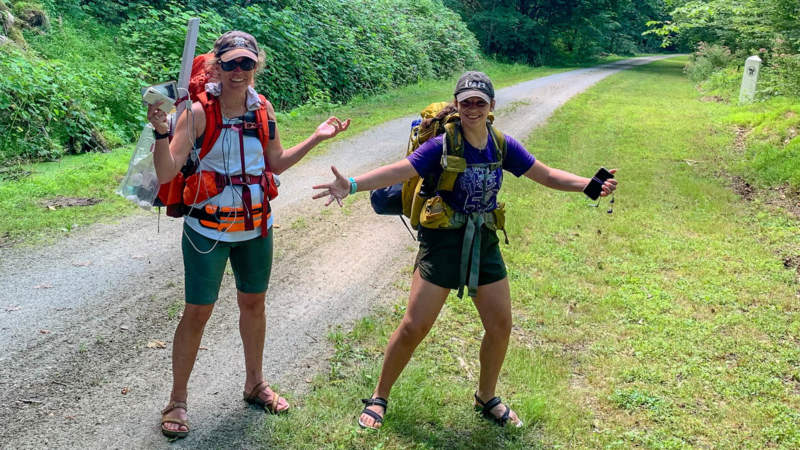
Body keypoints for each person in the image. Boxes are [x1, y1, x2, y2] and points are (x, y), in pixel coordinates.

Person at [312, 71, 617, 429]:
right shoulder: (441, 145)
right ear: (457, 104)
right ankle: (379, 396)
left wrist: (590, 186)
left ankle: (486, 397)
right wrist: (351, 184)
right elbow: (399, 171)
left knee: (501, 325)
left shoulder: (501, 144)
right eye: (466, 101)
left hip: (484, 240)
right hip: (442, 241)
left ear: (490, 107)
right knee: (414, 326)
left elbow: (545, 174)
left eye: (480, 102)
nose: (473, 108)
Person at [147, 30, 350, 438]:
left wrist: (316, 137)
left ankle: (255, 384)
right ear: (215, 66)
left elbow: (275, 163)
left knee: (254, 305)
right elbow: (167, 172)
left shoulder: (264, 109)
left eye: (246, 63)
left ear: (256, 66)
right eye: (230, 63)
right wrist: (161, 133)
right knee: (198, 312)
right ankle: (177, 401)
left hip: (256, 227)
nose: (239, 71)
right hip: (207, 229)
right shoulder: (199, 112)